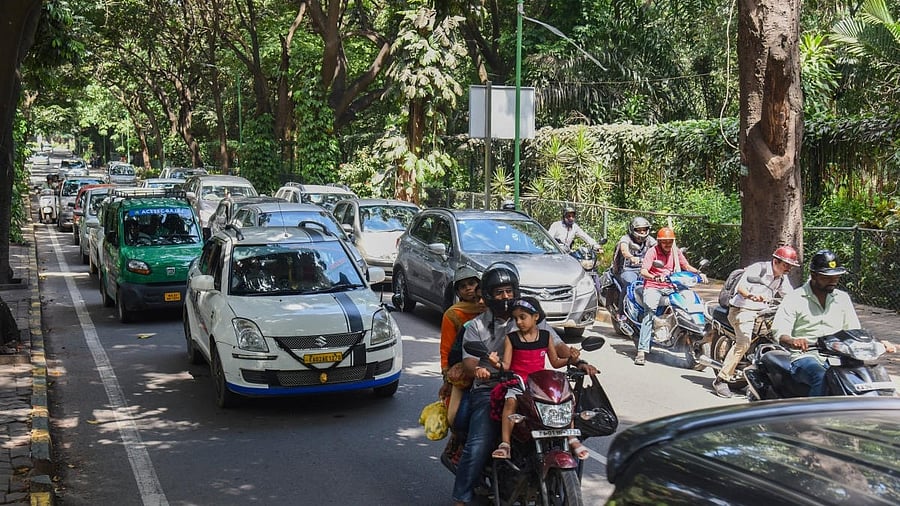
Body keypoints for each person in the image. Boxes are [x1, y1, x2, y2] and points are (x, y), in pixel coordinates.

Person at [451, 262, 596, 506]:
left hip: (534, 390)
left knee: (574, 425)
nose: (505, 297)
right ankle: (461, 498)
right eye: (499, 292)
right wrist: (483, 370)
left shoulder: (531, 318)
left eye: (509, 291)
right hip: (492, 389)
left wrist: (576, 359)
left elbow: (558, 346)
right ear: (487, 295)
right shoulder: (475, 326)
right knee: (480, 441)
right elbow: (469, 362)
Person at [771, 249, 895, 396]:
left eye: (836, 276)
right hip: (806, 356)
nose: (833, 281)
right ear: (814, 275)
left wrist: (878, 342)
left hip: (841, 356)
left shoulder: (842, 298)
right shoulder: (794, 298)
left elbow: (854, 331)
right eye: (827, 277)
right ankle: (815, 417)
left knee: (870, 376)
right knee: (821, 376)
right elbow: (780, 332)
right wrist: (793, 341)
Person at [488, 297, 589, 461]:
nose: (519, 322)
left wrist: (571, 359)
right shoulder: (511, 338)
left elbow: (555, 362)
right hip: (519, 383)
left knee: (568, 399)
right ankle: (505, 444)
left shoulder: (546, 336)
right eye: (516, 318)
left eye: (523, 317)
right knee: (510, 401)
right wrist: (496, 363)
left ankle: (571, 437)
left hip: (539, 384)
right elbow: (506, 365)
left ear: (536, 317)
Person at [712, 245, 799, 398]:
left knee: (781, 336)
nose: (788, 269)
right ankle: (721, 379)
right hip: (742, 309)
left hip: (763, 312)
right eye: (786, 265)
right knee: (744, 342)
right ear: (775, 261)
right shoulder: (757, 269)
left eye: (790, 266)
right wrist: (751, 296)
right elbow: (741, 288)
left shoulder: (782, 278)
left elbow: (790, 296)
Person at [634, 226, 706, 366]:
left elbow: (686, 266)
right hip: (653, 287)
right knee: (649, 313)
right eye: (664, 241)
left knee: (688, 304)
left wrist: (698, 273)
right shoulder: (652, 251)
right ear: (660, 242)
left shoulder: (675, 251)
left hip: (671, 286)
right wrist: (655, 277)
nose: (667, 244)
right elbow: (644, 271)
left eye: (670, 241)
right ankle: (641, 351)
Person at [440, 266, 486, 426]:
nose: (468, 288)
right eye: (463, 286)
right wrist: (447, 380)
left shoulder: (492, 307)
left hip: (490, 370)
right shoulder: (453, 315)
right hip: (463, 368)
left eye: (472, 283)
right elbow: (447, 350)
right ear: (458, 292)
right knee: (457, 418)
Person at [611, 217, 657, 309]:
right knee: (630, 285)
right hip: (626, 270)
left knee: (655, 284)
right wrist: (631, 257)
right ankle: (621, 313)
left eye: (644, 229)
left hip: (643, 270)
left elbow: (658, 247)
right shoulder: (626, 238)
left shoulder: (649, 240)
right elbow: (624, 250)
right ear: (632, 229)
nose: (642, 232)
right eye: (639, 230)